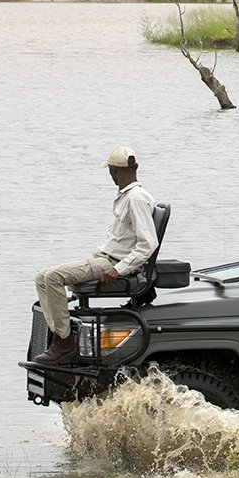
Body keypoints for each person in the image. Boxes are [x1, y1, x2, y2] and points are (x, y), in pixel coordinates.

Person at [31, 146, 158, 366]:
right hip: (104, 258)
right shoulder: (129, 196)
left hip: (111, 263)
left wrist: (118, 270)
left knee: (52, 277)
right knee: (42, 276)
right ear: (135, 167)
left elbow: (148, 244)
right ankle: (58, 337)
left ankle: (64, 344)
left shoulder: (135, 198)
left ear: (113, 171)